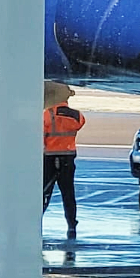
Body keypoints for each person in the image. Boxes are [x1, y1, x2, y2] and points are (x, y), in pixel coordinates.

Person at [43, 90, 86, 239]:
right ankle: (72, 224)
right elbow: (80, 123)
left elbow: (41, 135)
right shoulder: (77, 115)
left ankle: (36, 221)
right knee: (68, 194)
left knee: (44, 193)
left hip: (49, 158)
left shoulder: (47, 115)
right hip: (68, 159)